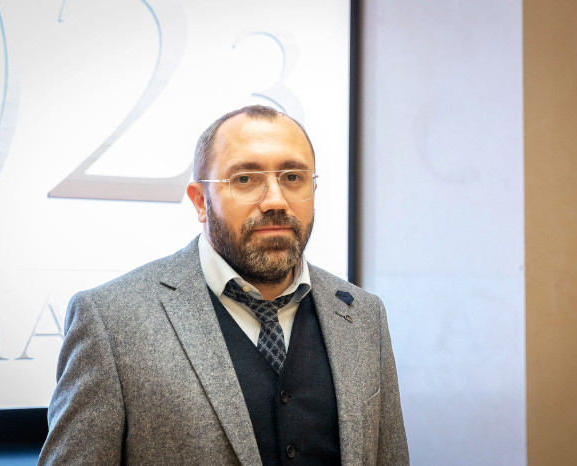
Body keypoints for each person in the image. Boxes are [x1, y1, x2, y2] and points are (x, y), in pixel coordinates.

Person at [38, 105, 409, 465]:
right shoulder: (111, 321)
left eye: (293, 177)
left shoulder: (363, 315)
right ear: (201, 201)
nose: (276, 201)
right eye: (245, 179)